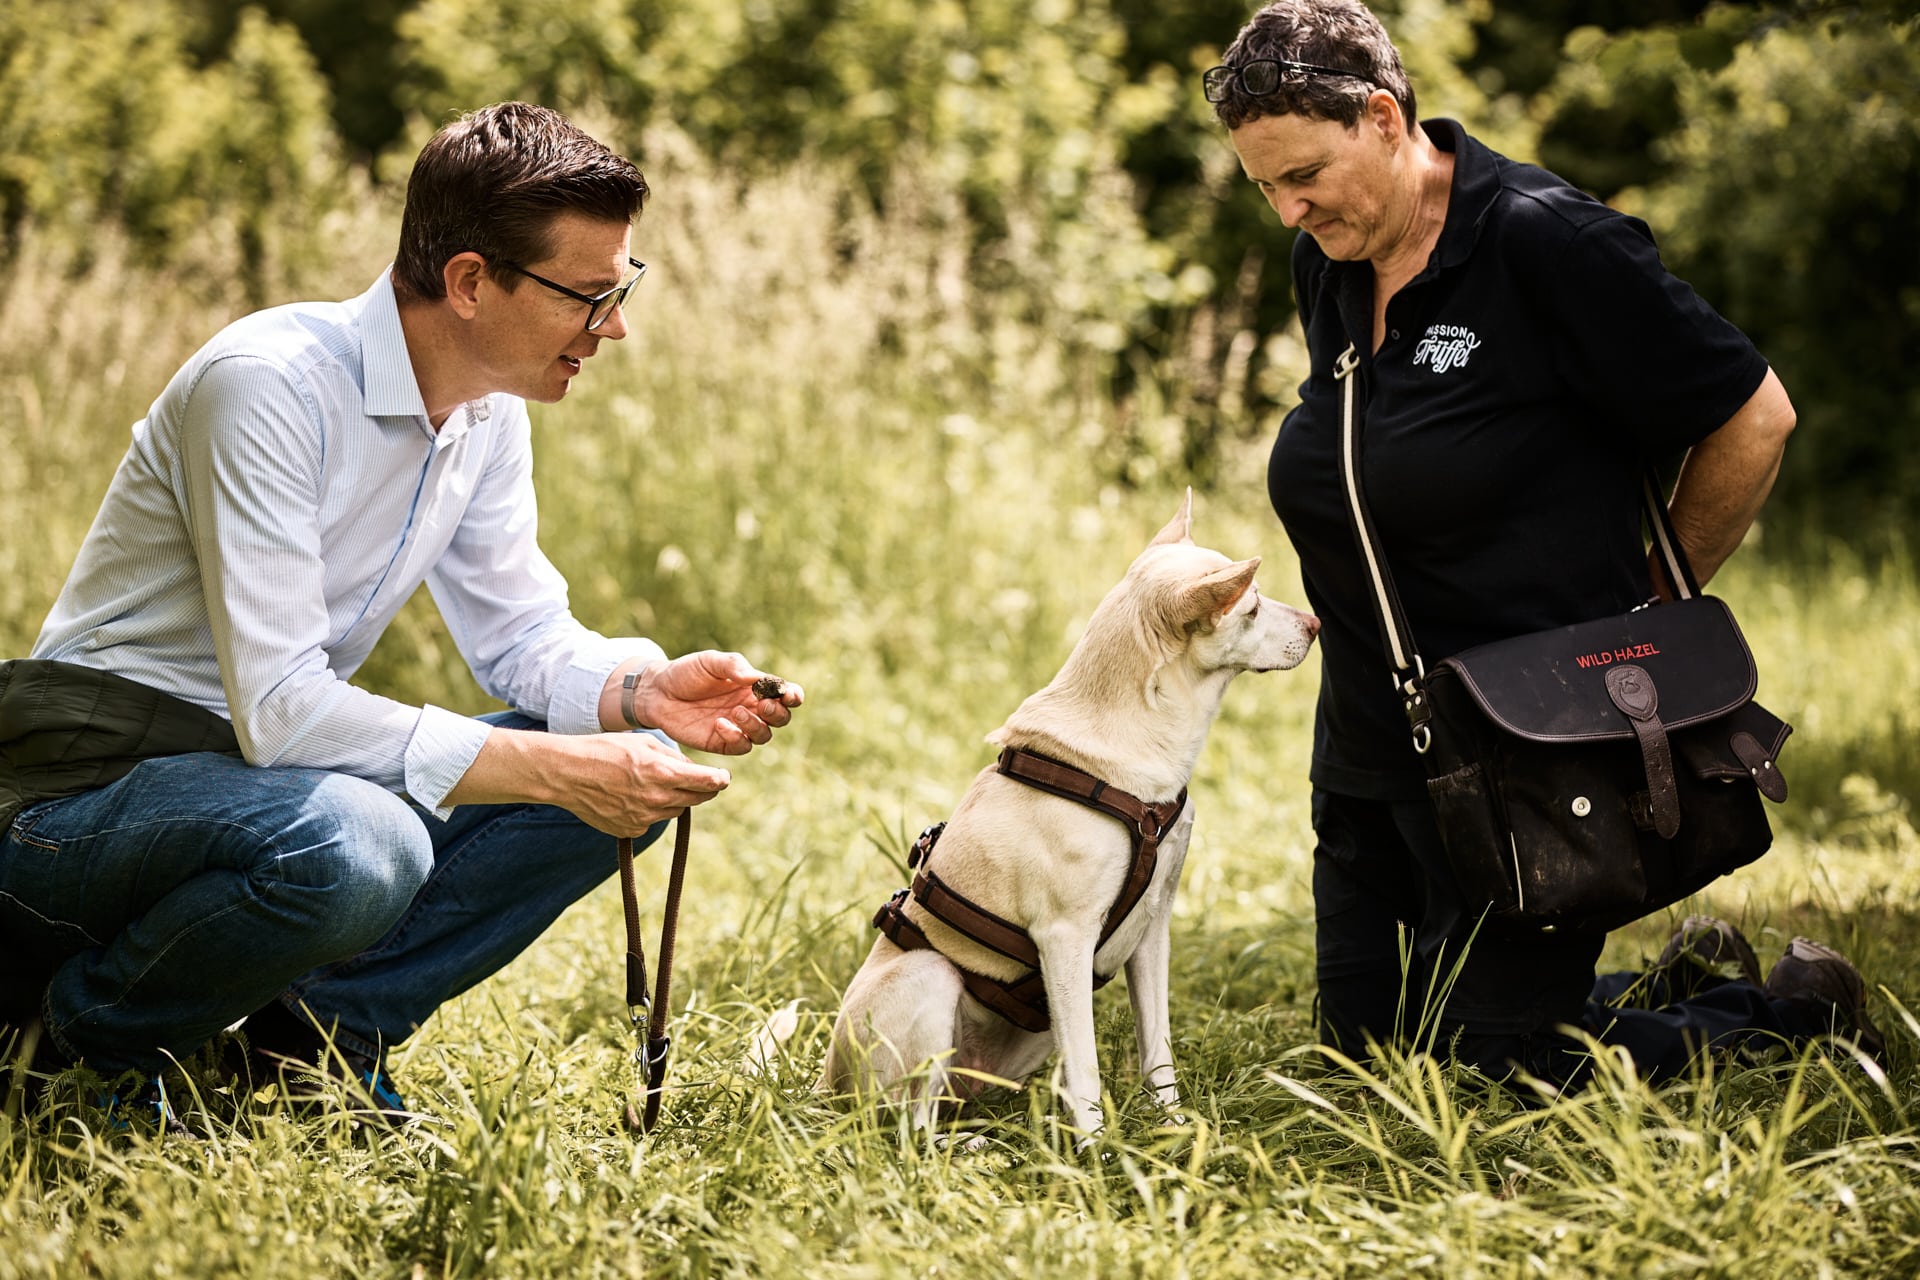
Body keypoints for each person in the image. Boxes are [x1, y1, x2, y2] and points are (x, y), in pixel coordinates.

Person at [0, 102, 803, 1123]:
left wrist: (641, 692)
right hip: (74, 804)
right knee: (365, 841)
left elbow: (518, 634)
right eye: (589, 297)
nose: (614, 327)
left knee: (623, 752)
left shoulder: (485, 411)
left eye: (621, 289)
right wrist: (560, 768)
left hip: (246, 783)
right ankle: (69, 1051)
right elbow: (285, 710)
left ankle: (308, 1043)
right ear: (469, 281)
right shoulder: (267, 386)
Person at [1204, 1, 1882, 1086]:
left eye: (1305, 175)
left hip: (1529, 753)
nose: (1289, 209)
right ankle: (1655, 987)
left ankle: (1793, 1013)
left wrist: (1657, 603)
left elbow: (1755, 415)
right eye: (1265, 187)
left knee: (1492, 1072)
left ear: (1384, 118)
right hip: (1372, 744)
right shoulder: (1329, 259)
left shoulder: (1548, 242)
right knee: (1368, 1063)